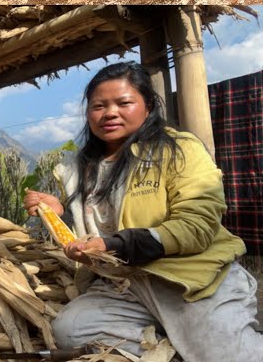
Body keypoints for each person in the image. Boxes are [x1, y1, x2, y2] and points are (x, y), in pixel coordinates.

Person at [23, 61, 263, 360]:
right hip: (128, 282)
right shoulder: (80, 168)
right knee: (71, 329)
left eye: (124, 103)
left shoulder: (178, 150)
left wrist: (115, 245)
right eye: (99, 105)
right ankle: (169, 350)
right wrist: (58, 211)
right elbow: (97, 223)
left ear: (147, 106)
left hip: (189, 278)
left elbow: (197, 227)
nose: (109, 112)